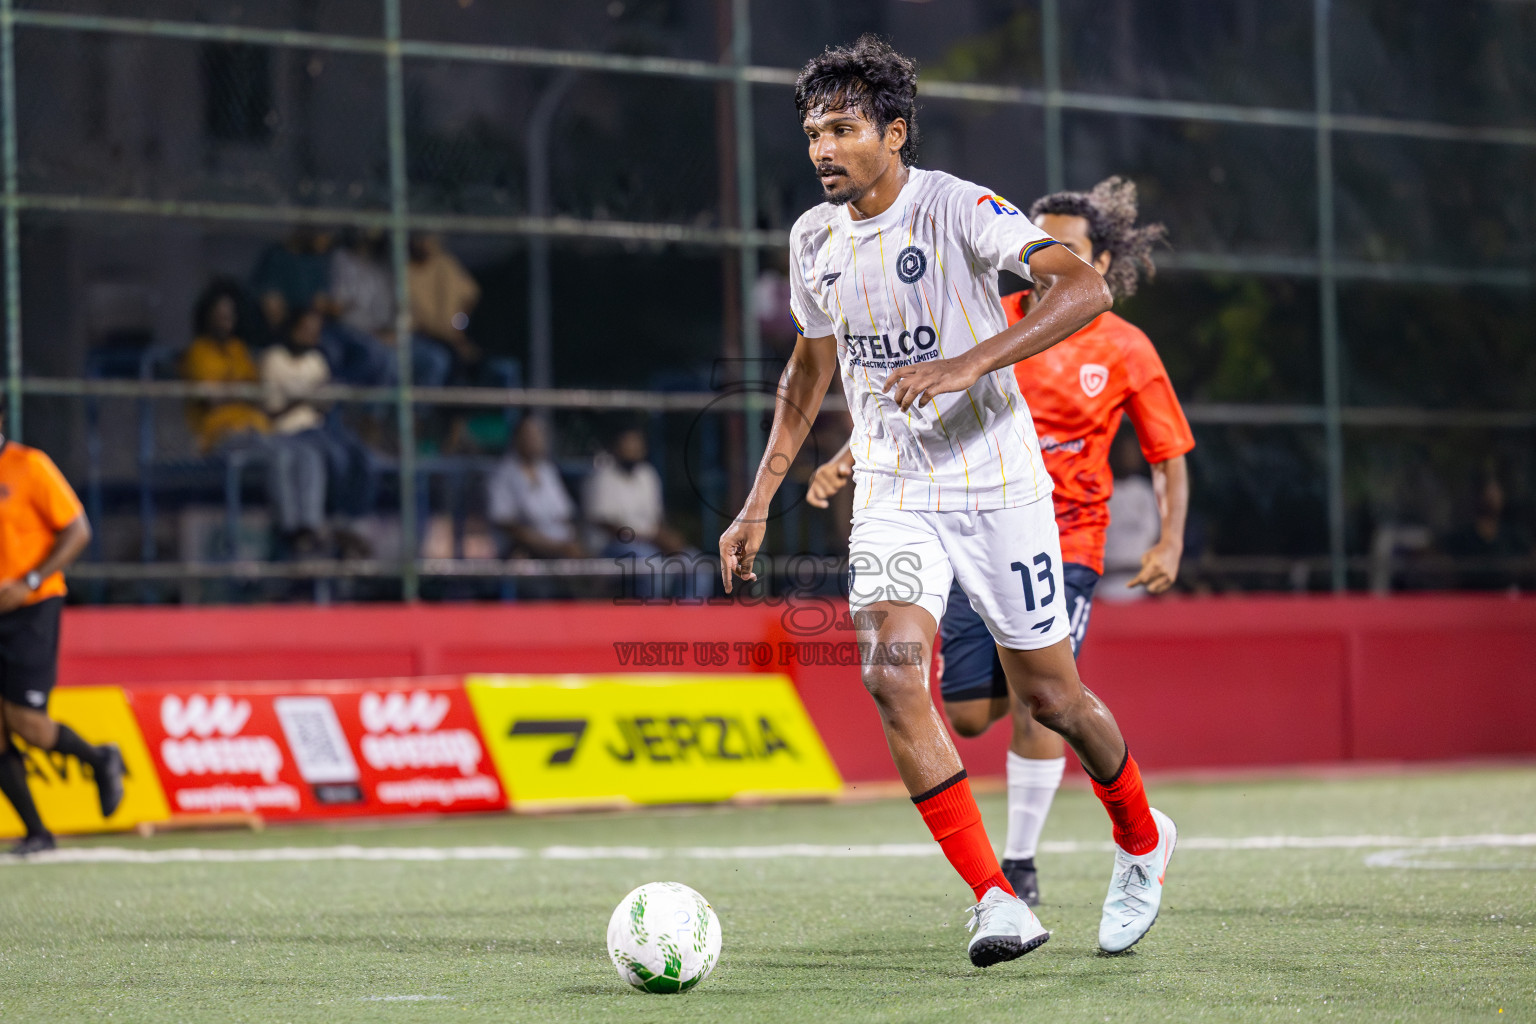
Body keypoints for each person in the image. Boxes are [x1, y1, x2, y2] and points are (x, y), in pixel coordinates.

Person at [719, 37, 1175, 967]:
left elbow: (1081, 284)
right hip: (894, 491)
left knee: (1053, 699)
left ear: (892, 132)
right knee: (891, 675)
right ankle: (996, 899)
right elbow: (807, 376)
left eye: (842, 129)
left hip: (1001, 488)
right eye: (812, 131)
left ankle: (1140, 836)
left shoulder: (958, 206)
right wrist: (758, 499)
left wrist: (971, 361)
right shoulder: (813, 239)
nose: (822, 149)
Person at [809, 176, 1194, 907]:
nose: (1037, 262)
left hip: (1066, 533)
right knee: (963, 713)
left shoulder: (1124, 348)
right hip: (949, 518)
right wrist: (849, 456)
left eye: (1064, 249)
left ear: (1098, 262)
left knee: (1042, 698)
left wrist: (1169, 540)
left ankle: (1019, 866)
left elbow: (1167, 453)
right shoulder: (992, 313)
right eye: (1036, 244)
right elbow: (910, 402)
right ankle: (1012, 865)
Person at [0, 399, 125, 854]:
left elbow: (78, 531)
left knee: (28, 723)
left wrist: (30, 580)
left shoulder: (28, 466)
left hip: (32, 606)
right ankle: (37, 833)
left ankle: (101, 758)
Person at [587, 426, 710, 598]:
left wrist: (668, 539)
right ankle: (652, 622)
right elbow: (608, 527)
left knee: (696, 563)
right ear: (616, 448)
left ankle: (689, 621)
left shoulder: (647, 475)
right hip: (613, 547)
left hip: (650, 543)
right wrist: (650, 538)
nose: (632, 451)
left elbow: (656, 520)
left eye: (636, 446)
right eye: (627, 446)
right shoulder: (602, 477)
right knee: (652, 565)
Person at [260, 309, 333, 556]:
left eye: (314, 332)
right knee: (287, 458)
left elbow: (324, 406)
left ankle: (311, 529)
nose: (308, 336)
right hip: (279, 434)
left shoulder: (317, 361)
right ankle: (291, 531)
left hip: (314, 433)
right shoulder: (274, 358)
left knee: (316, 457)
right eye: (304, 329)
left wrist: (309, 400)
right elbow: (271, 412)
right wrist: (303, 398)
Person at [181, 280, 271, 454]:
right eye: (220, 314)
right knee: (274, 453)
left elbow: (257, 393)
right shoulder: (198, 351)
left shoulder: (238, 348)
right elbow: (212, 400)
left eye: (230, 314)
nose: (226, 319)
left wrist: (233, 391)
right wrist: (241, 391)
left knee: (296, 453)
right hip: (218, 433)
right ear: (208, 315)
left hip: (254, 427)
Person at [488, 416, 585, 558]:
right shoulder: (503, 475)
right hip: (523, 549)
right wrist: (551, 546)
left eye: (537, 435)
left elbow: (565, 514)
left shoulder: (547, 470)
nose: (533, 440)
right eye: (528, 435)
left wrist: (571, 542)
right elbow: (507, 524)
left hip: (561, 547)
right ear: (517, 439)